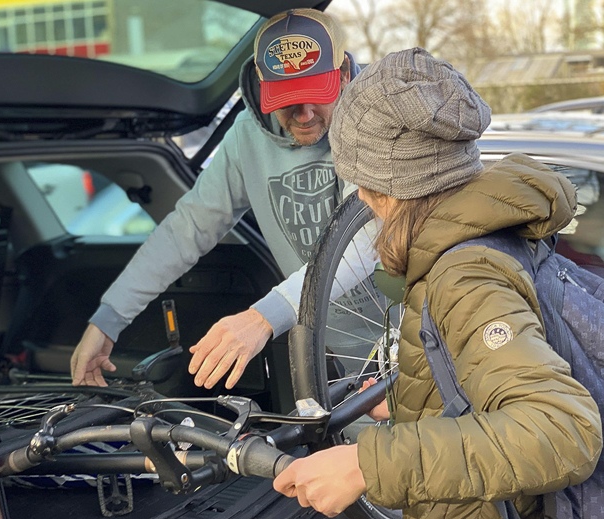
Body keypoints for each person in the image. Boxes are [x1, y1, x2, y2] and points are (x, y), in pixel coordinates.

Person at [273, 47, 602, 518]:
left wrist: (367, 466)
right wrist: (416, 402)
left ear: (394, 185)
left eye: (363, 181)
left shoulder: (465, 275)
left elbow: (561, 429)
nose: (362, 196)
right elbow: (489, 374)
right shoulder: (496, 232)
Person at [70, 9, 380, 389]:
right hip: (334, 359)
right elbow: (189, 228)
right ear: (264, 85)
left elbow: (365, 240)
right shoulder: (246, 138)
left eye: (316, 95)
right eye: (287, 100)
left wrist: (262, 318)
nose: (303, 114)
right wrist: (109, 318)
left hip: (409, 344)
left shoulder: (374, 122)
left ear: (344, 74)